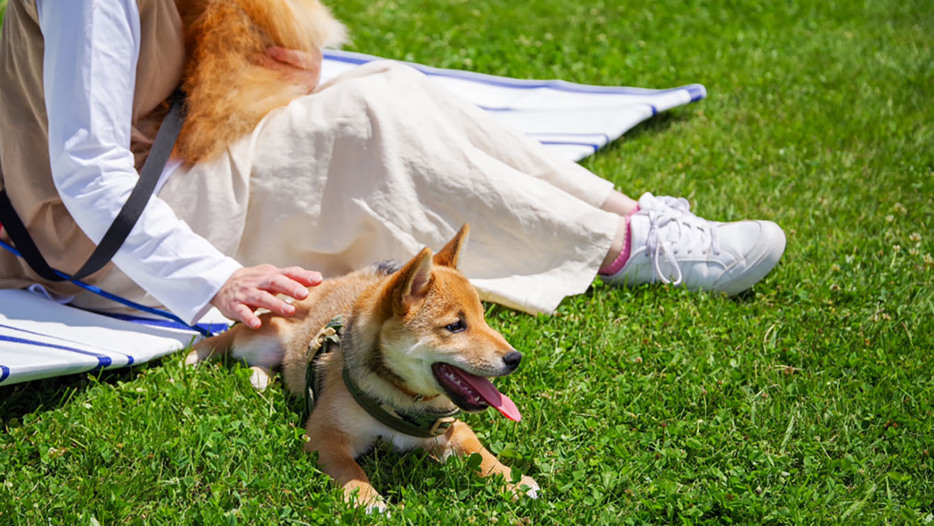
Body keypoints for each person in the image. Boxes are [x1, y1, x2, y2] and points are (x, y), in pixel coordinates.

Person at [0, 0, 785, 330]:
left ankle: (626, 219)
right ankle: (623, 255)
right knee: (368, 122)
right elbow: (86, 165)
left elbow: (216, 67)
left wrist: (275, 75)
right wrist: (213, 279)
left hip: (169, 173)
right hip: (97, 239)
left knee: (390, 89)